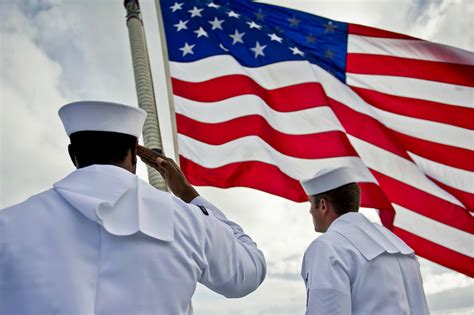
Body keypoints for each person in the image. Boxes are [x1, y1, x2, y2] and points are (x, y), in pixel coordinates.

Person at [0, 101, 266, 315]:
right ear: (134, 155)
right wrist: (190, 196)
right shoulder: (188, 220)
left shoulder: (9, 224)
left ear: (73, 155)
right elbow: (249, 272)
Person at [300, 167, 428, 315]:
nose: (310, 211)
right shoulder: (399, 245)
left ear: (323, 205)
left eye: (311, 203)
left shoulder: (327, 247)